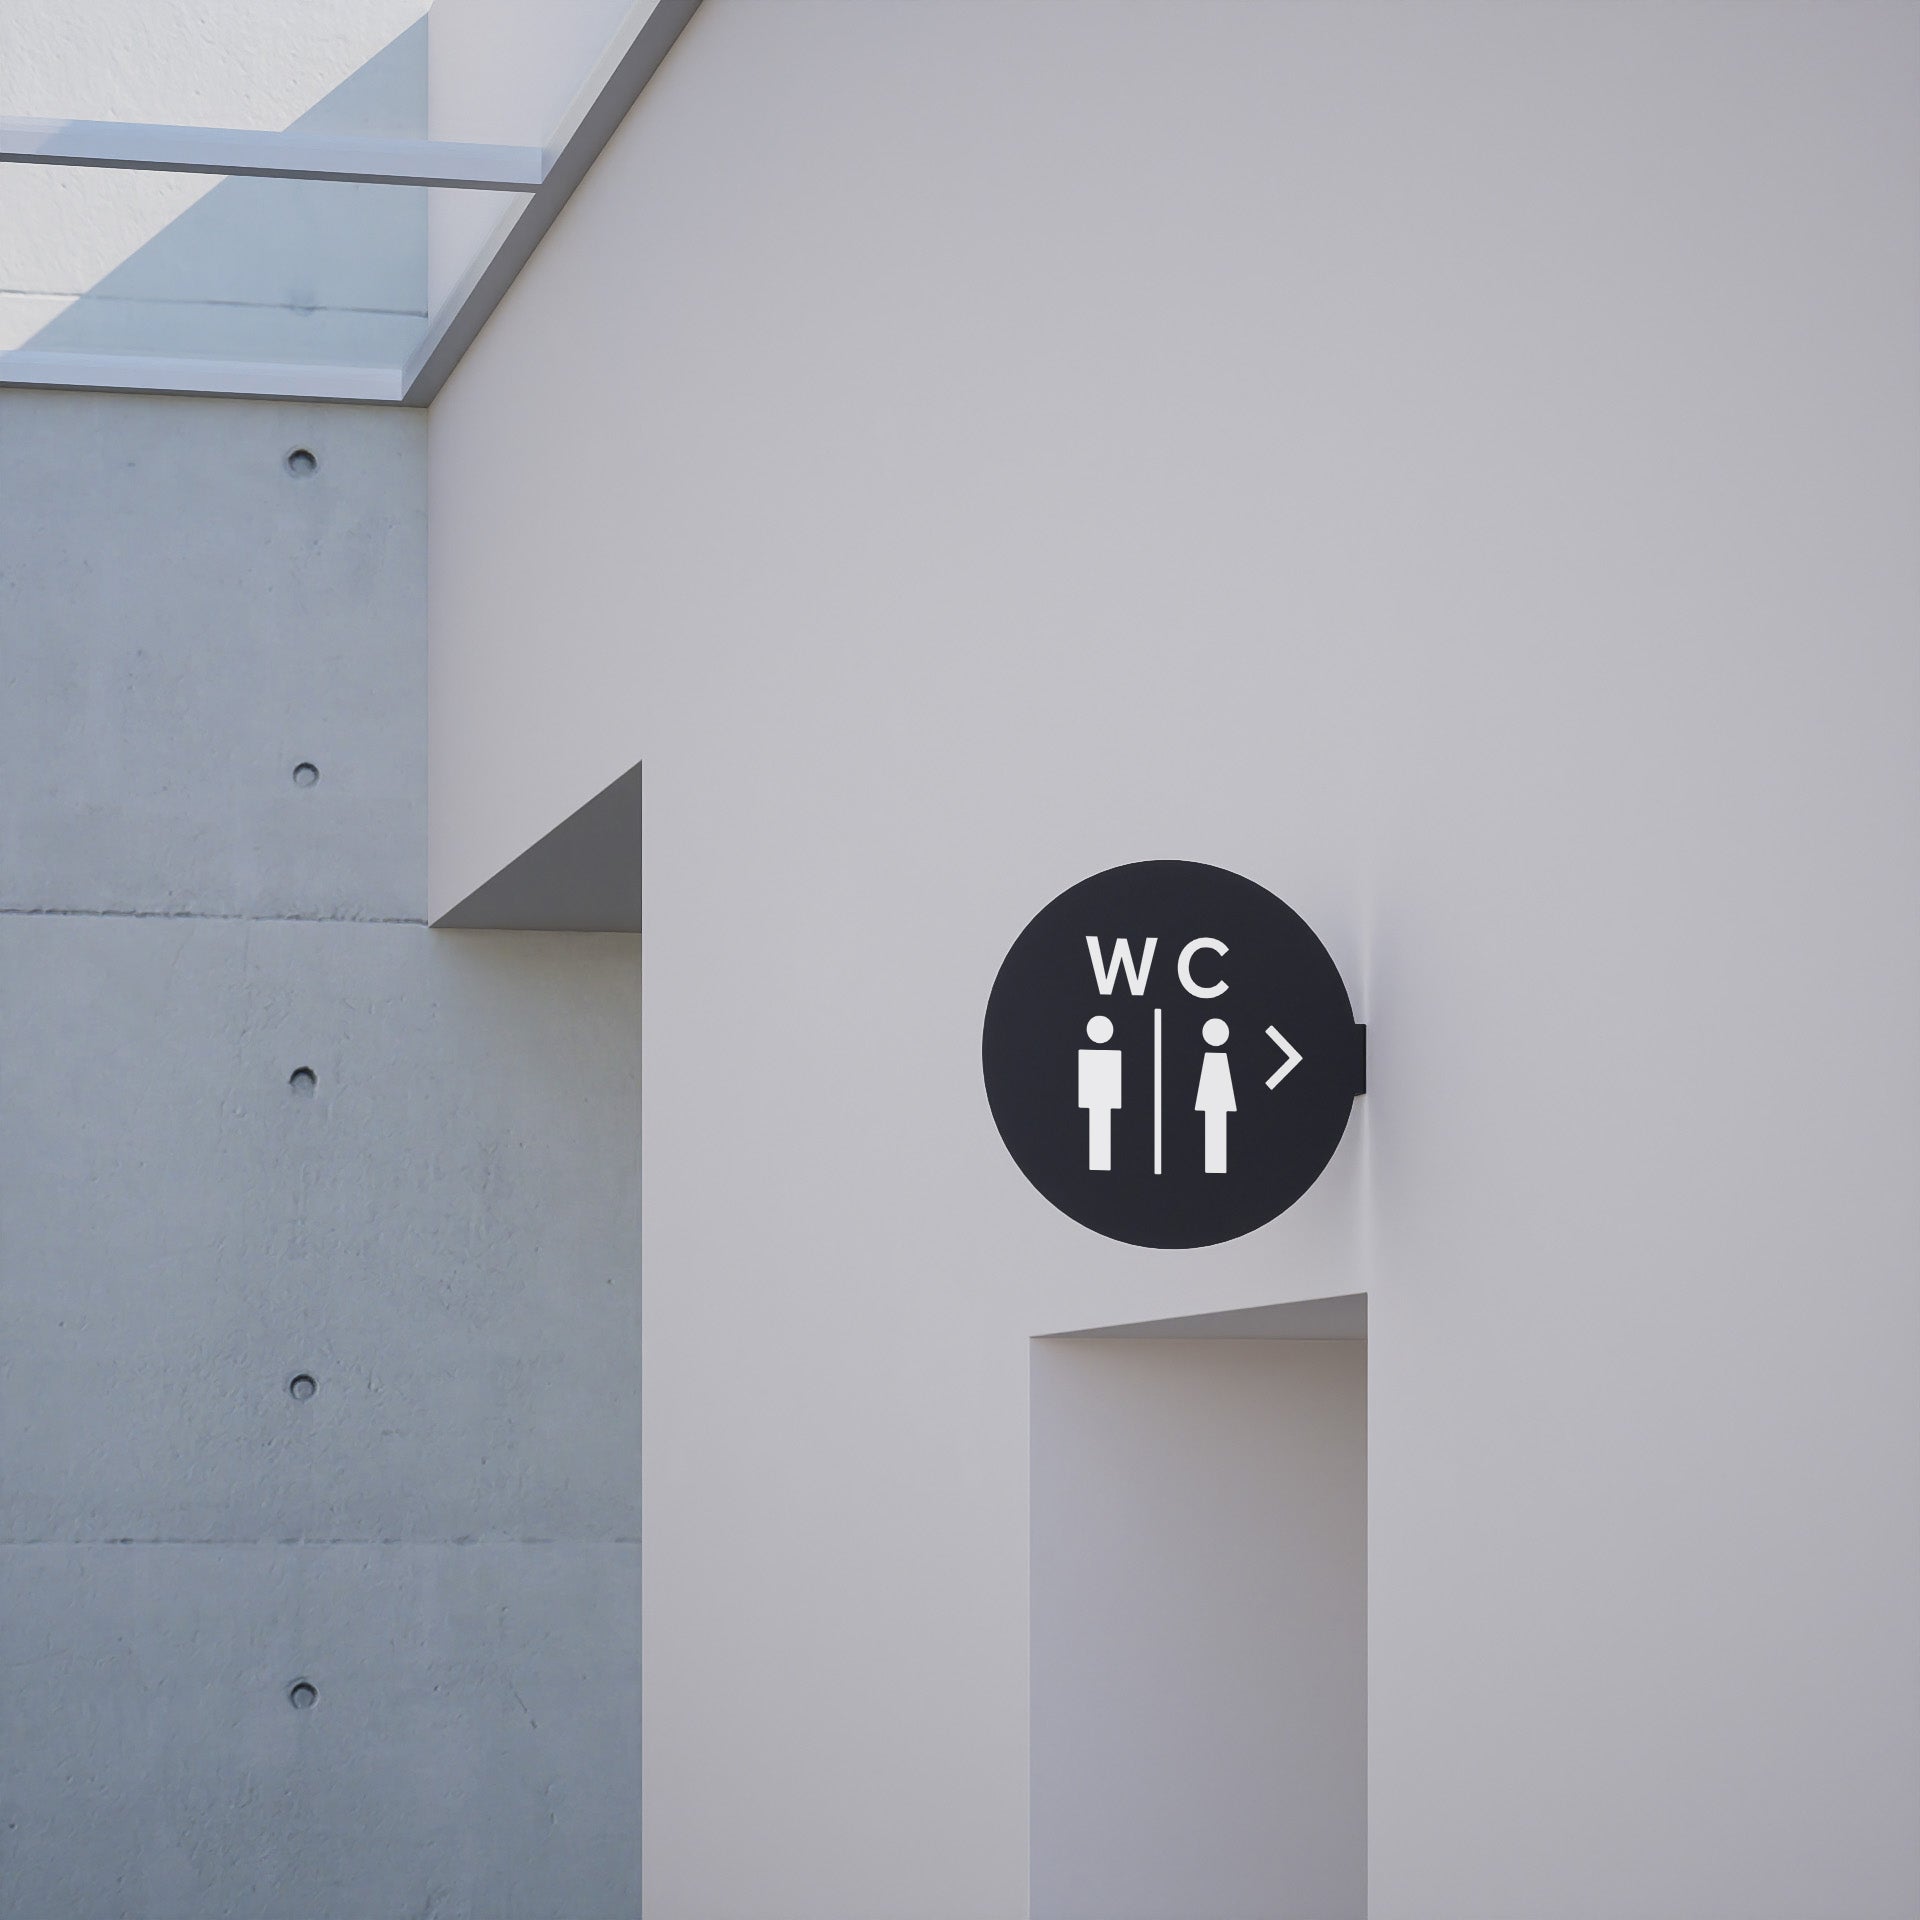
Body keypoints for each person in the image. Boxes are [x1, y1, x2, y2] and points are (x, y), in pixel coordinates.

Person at [1078, 1015, 1122, 1171]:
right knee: (1099, 1133)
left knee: (1101, 1132)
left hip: (1101, 1100)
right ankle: (1100, 1162)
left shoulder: (1109, 1055)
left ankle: (1100, 1162)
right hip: (1099, 1100)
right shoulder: (1091, 1055)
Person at [1195, 1017, 1235, 1173]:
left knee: (1216, 1130)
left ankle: (1215, 1164)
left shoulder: (1216, 1060)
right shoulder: (1214, 1059)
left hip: (1216, 1101)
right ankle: (1215, 1164)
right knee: (1215, 1130)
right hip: (1215, 1101)